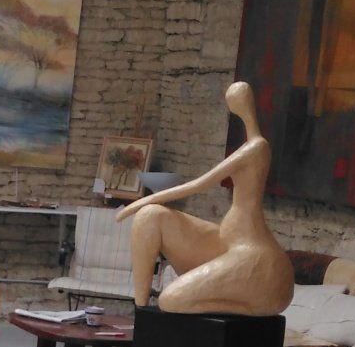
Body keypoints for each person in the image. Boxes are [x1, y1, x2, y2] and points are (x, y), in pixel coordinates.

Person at [115, 82, 293, 316]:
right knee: (150, 216)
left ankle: (227, 310)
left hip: (255, 257)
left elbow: (198, 184)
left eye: (233, 100)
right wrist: (145, 206)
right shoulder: (251, 146)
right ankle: (141, 309)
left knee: (170, 300)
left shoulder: (256, 147)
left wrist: (140, 201)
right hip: (226, 242)